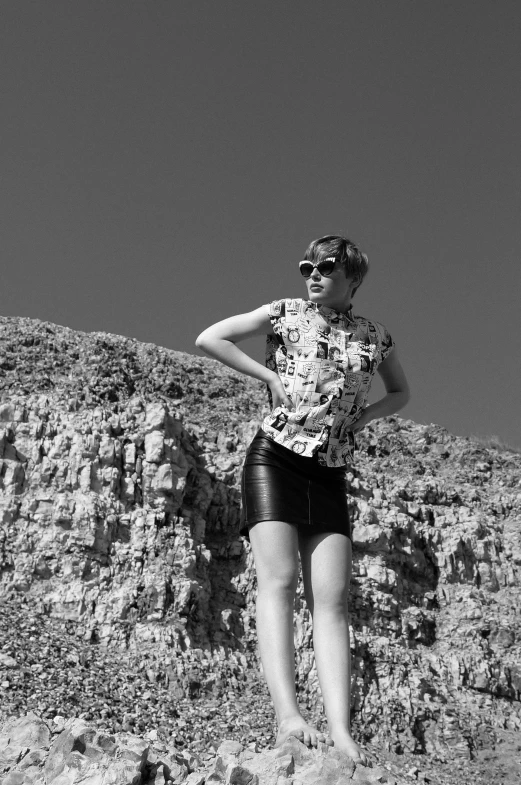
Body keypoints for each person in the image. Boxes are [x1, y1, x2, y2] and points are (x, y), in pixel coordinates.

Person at [195, 234, 410, 763]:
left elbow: (401, 391)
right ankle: (288, 714)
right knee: (280, 581)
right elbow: (210, 338)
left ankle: (341, 730)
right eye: (307, 266)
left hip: (330, 471)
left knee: (332, 602)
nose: (313, 274)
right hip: (275, 459)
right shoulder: (286, 314)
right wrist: (268, 376)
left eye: (327, 267)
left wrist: (366, 416)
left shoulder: (375, 337)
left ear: (353, 278)